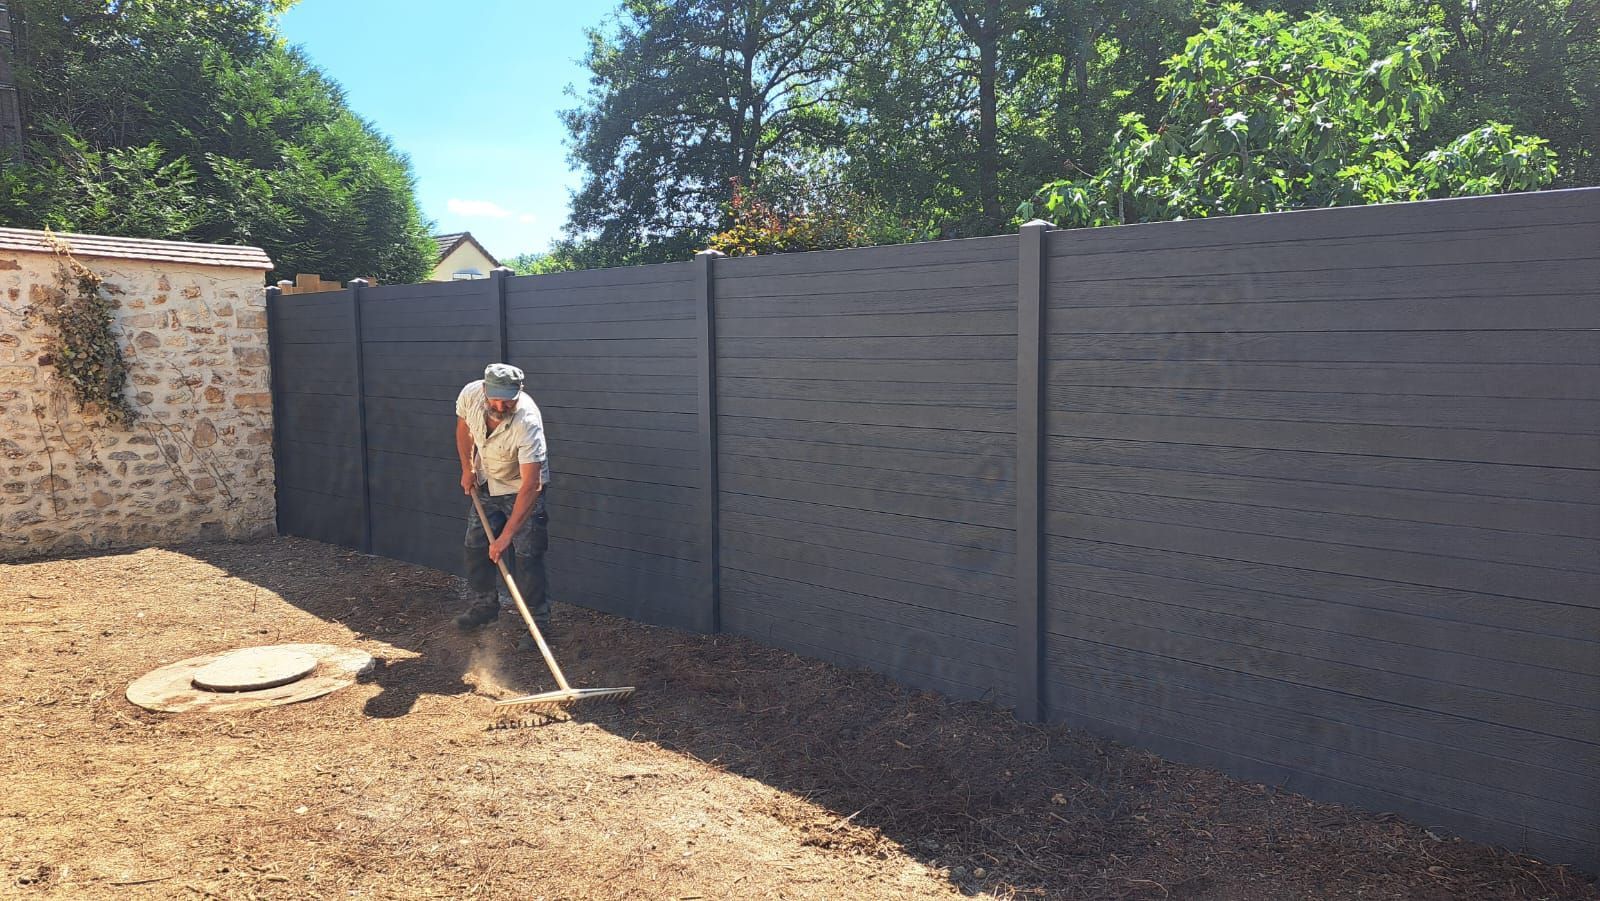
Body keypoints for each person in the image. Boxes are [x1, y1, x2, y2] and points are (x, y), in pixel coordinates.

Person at [453, 363, 552, 647]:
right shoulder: (472, 395)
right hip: (486, 481)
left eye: (507, 399)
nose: (499, 405)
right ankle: (485, 607)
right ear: (484, 389)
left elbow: (531, 483)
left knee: (527, 556)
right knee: (475, 547)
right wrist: (467, 468)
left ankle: (539, 622)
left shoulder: (527, 422)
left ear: (519, 392)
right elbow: (463, 429)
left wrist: (506, 537)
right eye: (494, 398)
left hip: (521, 488)